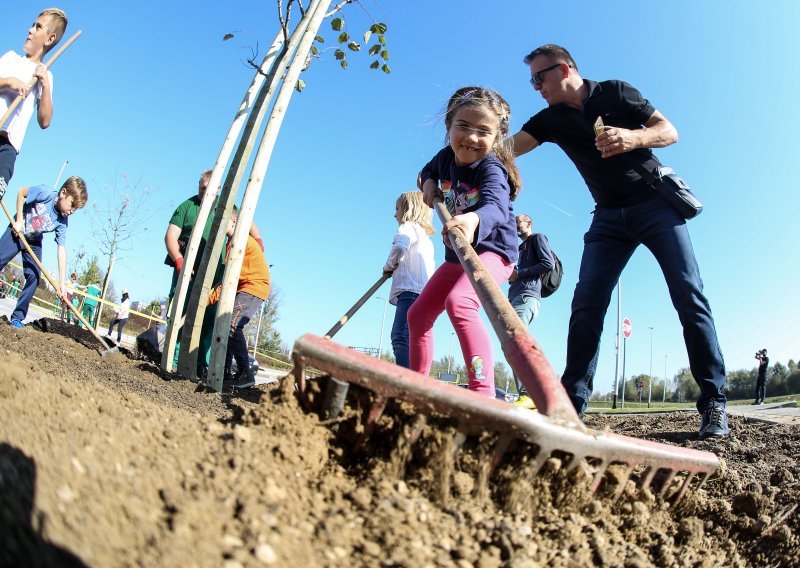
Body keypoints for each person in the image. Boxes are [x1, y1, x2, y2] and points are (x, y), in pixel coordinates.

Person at [512, 44, 728, 438]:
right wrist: (451, 157)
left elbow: (669, 131)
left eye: (538, 78)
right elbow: (506, 149)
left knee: (687, 292)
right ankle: (571, 406)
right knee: (587, 304)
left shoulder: (615, 92)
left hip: (655, 204)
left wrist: (631, 138)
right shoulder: (550, 119)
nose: (535, 87)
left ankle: (714, 401)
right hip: (607, 218)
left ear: (564, 70)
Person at [411, 87, 521, 397]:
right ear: (448, 127)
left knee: (460, 303)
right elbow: (425, 172)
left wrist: (472, 220)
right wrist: (429, 183)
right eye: (463, 127)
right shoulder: (445, 158)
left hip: (494, 250)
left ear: (496, 138)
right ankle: (416, 387)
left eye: (483, 131)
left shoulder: (491, 168)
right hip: (458, 255)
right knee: (418, 314)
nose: (472, 138)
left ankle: (482, 392)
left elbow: (496, 207)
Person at [164, 169, 263, 377]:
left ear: (218, 188)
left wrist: (258, 244)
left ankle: (202, 364)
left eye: (208, 189)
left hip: (216, 276)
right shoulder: (187, 207)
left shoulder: (226, 207)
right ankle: (172, 358)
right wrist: (179, 260)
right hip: (188, 273)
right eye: (201, 188)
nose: (203, 192)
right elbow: (170, 236)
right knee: (179, 312)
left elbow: (248, 224)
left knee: (210, 319)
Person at [0, 176, 87, 328]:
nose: (72, 211)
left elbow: (61, 249)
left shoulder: (62, 222)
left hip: (33, 241)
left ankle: (17, 318)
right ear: (63, 193)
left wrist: (61, 285)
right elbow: (21, 192)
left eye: (75, 209)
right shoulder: (45, 193)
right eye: (72, 205)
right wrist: (19, 220)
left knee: (34, 276)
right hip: (17, 231)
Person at [0, 9, 68, 197]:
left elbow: (45, 121)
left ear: (49, 39)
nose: (30, 30)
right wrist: (8, 81)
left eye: (38, 27)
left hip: (7, 149)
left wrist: (45, 85)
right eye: (32, 25)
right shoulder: (11, 58)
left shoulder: (45, 76)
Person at [207, 209, 270, 389]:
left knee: (232, 324)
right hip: (243, 287)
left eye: (223, 221)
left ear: (234, 222)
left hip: (253, 287)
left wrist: (209, 299)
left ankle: (245, 373)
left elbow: (228, 279)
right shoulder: (231, 243)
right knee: (225, 325)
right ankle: (225, 371)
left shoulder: (240, 242)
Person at [383, 191, 435, 368]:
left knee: (400, 336)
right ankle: (416, 377)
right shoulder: (425, 238)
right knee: (416, 339)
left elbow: (399, 246)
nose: (394, 214)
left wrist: (388, 266)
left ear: (407, 209)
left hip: (410, 293)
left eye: (397, 209)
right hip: (424, 295)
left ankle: (405, 380)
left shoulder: (408, 227)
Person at [507, 214, 554, 409]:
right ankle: (537, 392)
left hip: (527, 296)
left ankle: (529, 393)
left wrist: (520, 274)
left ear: (529, 223)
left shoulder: (537, 238)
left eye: (519, 221)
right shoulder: (519, 248)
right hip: (516, 297)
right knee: (512, 341)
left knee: (514, 340)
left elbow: (547, 263)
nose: (516, 224)